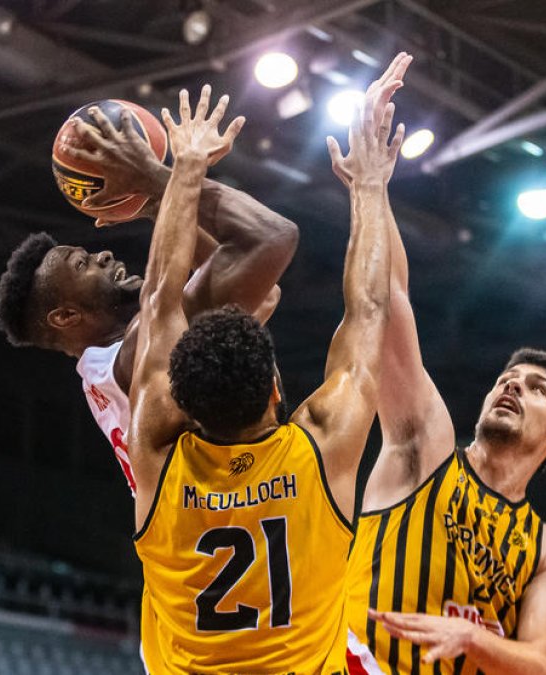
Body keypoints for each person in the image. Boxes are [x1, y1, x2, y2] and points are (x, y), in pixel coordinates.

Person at [127, 53, 409, 673]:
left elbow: (158, 298)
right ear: (276, 390)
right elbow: (369, 307)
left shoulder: (157, 452)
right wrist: (368, 185)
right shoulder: (321, 447)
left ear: (181, 402)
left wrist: (187, 170)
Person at [341, 168, 546, 672]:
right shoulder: (427, 447)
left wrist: (470, 637)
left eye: (536, 389)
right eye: (507, 379)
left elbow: (541, 664)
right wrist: (371, 190)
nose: (512, 386)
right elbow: (389, 302)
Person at [0, 96, 297, 495]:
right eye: (83, 264)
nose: (103, 254)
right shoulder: (136, 352)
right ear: (65, 316)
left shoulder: (111, 370)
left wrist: (158, 204)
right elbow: (271, 239)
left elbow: (263, 292)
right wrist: (160, 178)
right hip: (247, 521)